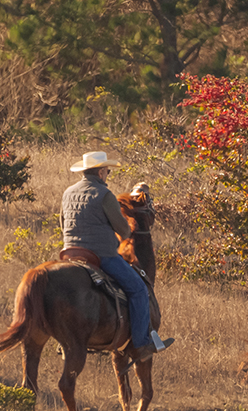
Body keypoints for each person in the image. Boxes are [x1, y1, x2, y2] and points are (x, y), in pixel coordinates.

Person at [62, 151, 172, 355]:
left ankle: (64, 343)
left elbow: (62, 223)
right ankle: (141, 343)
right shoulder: (104, 195)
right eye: (108, 171)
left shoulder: (68, 192)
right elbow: (123, 230)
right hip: (100, 256)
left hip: (70, 254)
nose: (108, 175)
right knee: (139, 289)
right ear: (102, 172)